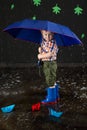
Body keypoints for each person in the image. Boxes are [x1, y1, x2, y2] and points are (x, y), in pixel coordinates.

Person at [38, 30, 60, 104]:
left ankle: (52, 98)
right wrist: (40, 50)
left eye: (49, 35)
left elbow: (50, 54)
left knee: (50, 79)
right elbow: (44, 49)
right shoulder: (44, 41)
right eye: (45, 34)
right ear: (42, 33)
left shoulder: (53, 43)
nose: (47, 37)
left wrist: (40, 56)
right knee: (50, 78)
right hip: (46, 63)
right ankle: (56, 95)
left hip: (50, 64)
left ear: (53, 34)